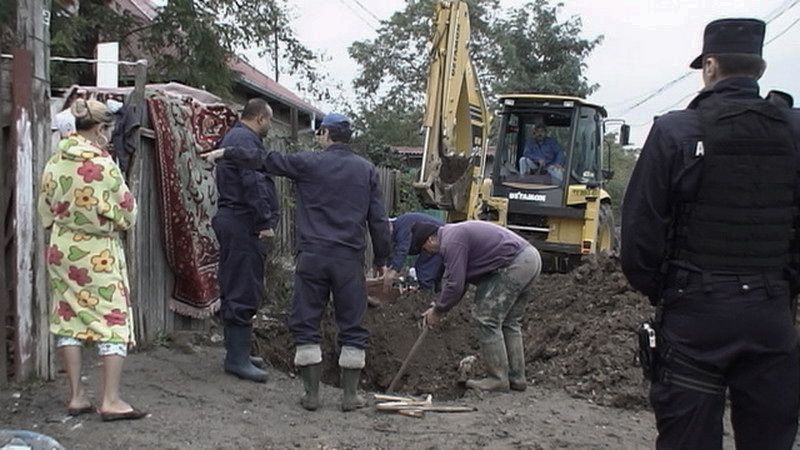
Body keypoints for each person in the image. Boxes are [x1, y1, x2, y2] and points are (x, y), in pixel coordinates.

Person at [620, 18, 800, 450]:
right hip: (771, 317)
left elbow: (640, 235)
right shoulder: (793, 131)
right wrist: (783, 286)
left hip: (695, 316)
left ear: (711, 66)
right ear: (758, 68)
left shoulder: (675, 131)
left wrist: (667, 291)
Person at [203, 113, 391, 412]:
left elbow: (264, 160)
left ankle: (312, 395)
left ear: (326, 134)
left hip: (312, 257)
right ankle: (350, 396)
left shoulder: (308, 163)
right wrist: (381, 257)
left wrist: (227, 152)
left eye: (319, 132)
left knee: (306, 323)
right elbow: (378, 220)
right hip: (348, 260)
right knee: (352, 325)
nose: (317, 136)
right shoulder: (366, 170)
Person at [37, 99, 146, 421]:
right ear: (99, 129)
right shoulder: (103, 165)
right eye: (108, 131)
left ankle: (76, 396)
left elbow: (45, 208)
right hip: (98, 251)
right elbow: (127, 211)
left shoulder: (55, 161)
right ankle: (110, 400)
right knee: (112, 320)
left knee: (68, 315)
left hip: (62, 247)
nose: (109, 137)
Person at [412, 221, 541, 392]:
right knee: (510, 322)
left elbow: (455, 284)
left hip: (515, 264)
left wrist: (438, 311)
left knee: (487, 318)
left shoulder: (451, 242)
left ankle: (498, 378)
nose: (426, 253)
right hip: (530, 259)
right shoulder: (454, 236)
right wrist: (439, 307)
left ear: (429, 240)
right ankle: (516, 377)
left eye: (423, 249)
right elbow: (460, 283)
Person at [212, 98, 280, 383]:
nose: (270, 127)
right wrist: (264, 220)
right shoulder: (246, 140)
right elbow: (253, 182)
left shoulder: (235, 136)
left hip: (233, 218)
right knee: (243, 285)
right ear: (261, 118)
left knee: (235, 281)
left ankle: (237, 352)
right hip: (243, 222)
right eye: (270, 121)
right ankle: (237, 359)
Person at [383, 212, 445, 292]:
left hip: (437, 239)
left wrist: (393, 270)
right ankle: (436, 294)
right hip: (435, 239)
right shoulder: (396, 232)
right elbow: (392, 254)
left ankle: (425, 296)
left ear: (389, 225)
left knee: (425, 273)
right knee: (428, 271)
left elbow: (402, 249)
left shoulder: (402, 225)